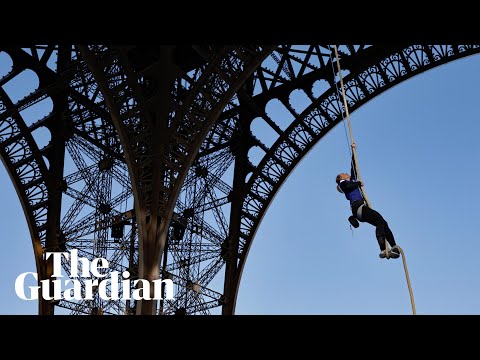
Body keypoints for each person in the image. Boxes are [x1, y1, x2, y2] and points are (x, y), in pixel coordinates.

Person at [335, 145, 400, 259]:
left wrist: (353, 151)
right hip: (358, 207)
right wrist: (358, 184)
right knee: (379, 220)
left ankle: (393, 247)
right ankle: (382, 250)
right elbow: (349, 186)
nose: (347, 173)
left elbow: (353, 166)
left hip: (360, 209)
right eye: (344, 173)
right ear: (341, 178)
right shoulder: (343, 183)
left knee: (383, 223)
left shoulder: (352, 180)